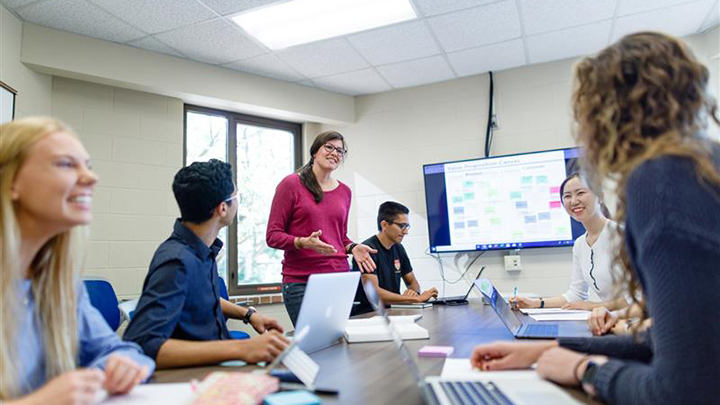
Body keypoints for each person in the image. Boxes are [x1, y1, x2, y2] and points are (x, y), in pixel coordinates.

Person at [470, 32, 720, 404]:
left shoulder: (662, 180)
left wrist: (583, 368)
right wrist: (546, 350)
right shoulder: (703, 162)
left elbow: (682, 390)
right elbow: (678, 336)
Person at [1, 117, 154, 404]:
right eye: (66, 164)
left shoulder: (61, 284)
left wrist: (119, 368)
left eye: (89, 165)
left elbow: (122, 352)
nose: (91, 178)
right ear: (11, 183)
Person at [123, 159, 288, 369]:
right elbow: (142, 344)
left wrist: (249, 314)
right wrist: (244, 348)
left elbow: (201, 297)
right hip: (192, 381)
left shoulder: (201, 249)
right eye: (236, 196)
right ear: (222, 208)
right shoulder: (176, 261)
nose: (238, 202)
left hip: (217, 369)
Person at [266, 131, 378, 326]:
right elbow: (273, 236)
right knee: (314, 349)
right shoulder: (291, 184)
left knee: (339, 344)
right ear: (314, 152)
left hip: (339, 279)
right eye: (329, 147)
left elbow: (339, 237)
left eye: (340, 151)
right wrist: (302, 242)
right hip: (302, 282)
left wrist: (353, 247)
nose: (335, 153)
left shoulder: (344, 191)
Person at [510, 173, 628, 312]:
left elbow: (640, 296)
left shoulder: (622, 235)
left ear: (600, 196)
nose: (573, 201)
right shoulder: (579, 245)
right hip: (608, 321)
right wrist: (534, 303)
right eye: (567, 196)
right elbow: (575, 294)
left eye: (580, 193)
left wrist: (593, 306)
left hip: (638, 321)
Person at [352, 201, 437, 312]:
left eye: (407, 226)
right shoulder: (366, 251)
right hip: (369, 314)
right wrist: (415, 299)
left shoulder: (398, 248)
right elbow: (374, 294)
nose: (406, 231)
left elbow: (412, 282)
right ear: (384, 225)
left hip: (393, 311)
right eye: (402, 226)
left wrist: (414, 293)